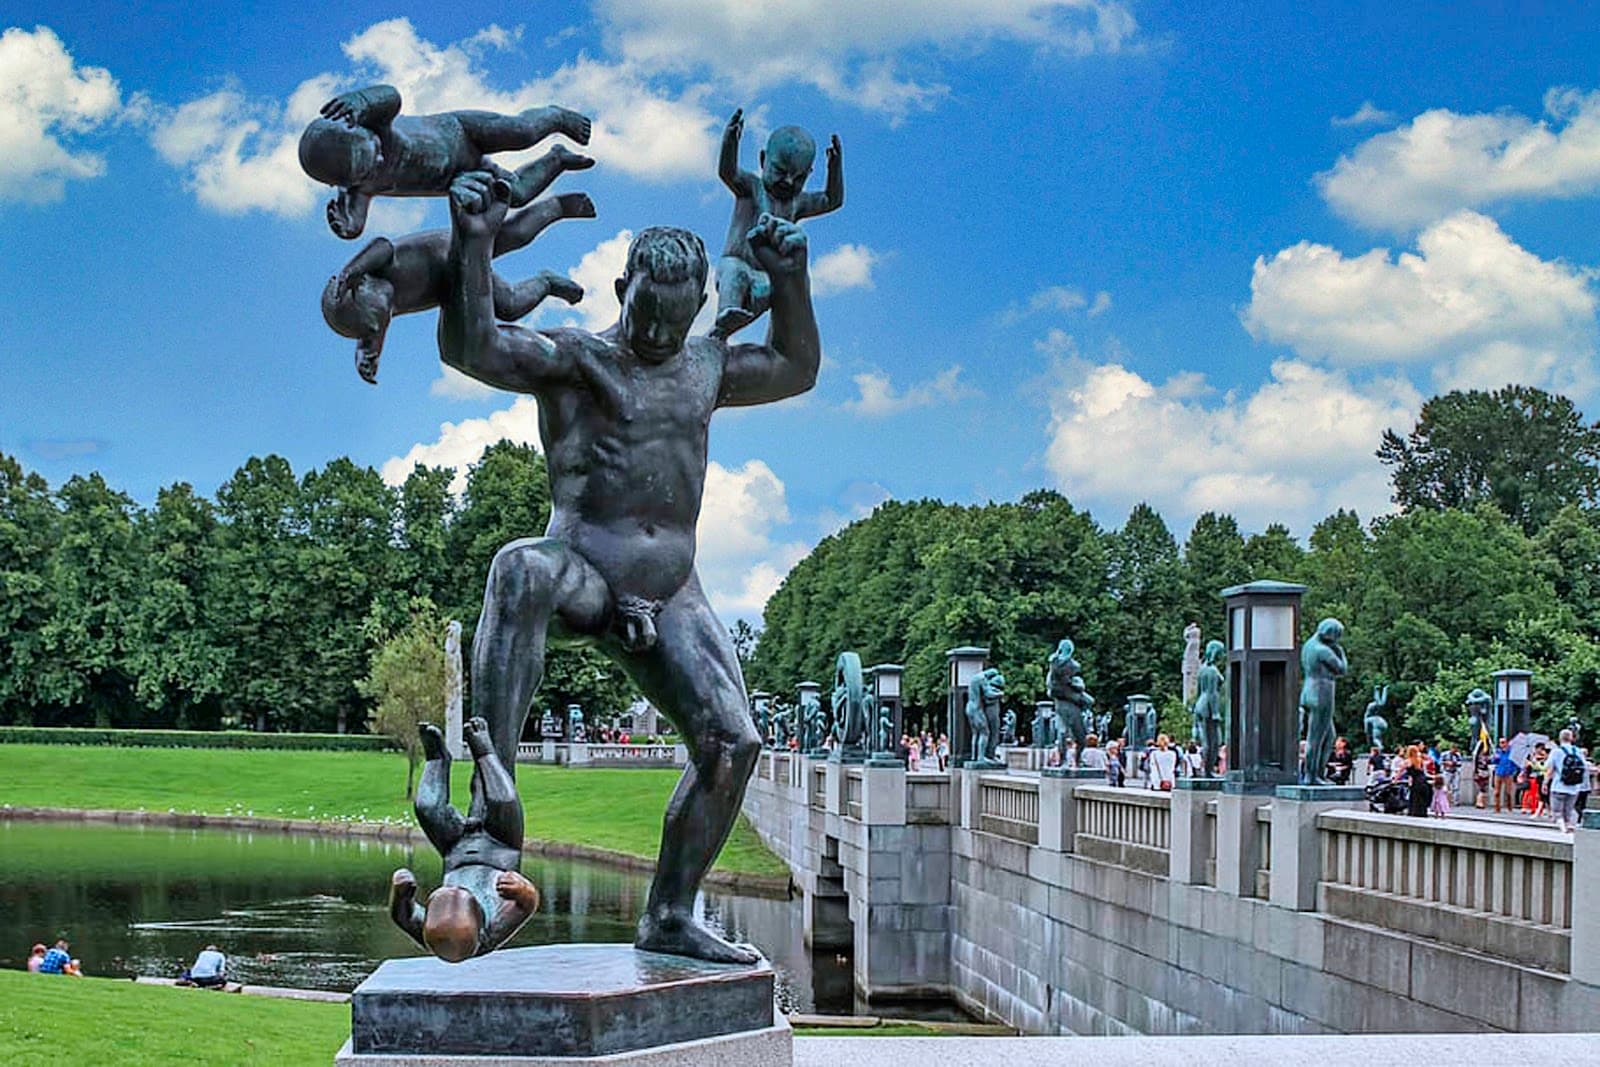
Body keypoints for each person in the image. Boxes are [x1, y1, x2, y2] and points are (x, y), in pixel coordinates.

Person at [438, 169, 819, 963]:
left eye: (675, 323)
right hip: (585, 570)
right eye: (646, 314)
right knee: (518, 569)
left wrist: (791, 279)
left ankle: (670, 913)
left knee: (733, 742)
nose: (657, 335)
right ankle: (489, 825)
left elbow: (795, 365)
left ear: (697, 311)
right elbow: (476, 345)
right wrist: (473, 245)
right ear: (623, 287)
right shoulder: (579, 361)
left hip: (672, 590)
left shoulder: (706, 367)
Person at [300, 83, 591, 239]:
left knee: (522, 132)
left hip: (462, 131)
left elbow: (391, 96)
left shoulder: (378, 124)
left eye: (372, 148)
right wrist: (346, 226)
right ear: (341, 183)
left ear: (360, 126)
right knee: (516, 193)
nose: (379, 157)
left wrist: (361, 100)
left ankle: (556, 117)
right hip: (462, 174)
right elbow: (355, 223)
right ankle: (557, 159)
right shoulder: (358, 188)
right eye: (368, 168)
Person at [389, 719, 540, 962]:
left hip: (456, 850)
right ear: (480, 924)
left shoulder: (433, 932)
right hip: (499, 848)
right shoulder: (489, 932)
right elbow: (528, 905)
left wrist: (401, 894)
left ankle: (437, 760)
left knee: (426, 806)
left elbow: (402, 917)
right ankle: (484, 751)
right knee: (504, 801)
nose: (458, 888)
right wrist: (523, 890)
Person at [713, 108, 843, 338]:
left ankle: (776, 347)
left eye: (799, 177)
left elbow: (832, 200)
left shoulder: (797, 203)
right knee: (734, 273)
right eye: (781, 171)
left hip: (766, 275)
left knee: (783, 292)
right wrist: (730, 142)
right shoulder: (751, 187)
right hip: (737, 262)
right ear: (763, 160)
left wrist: (834, 169)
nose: (788, 181)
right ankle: (726, 315)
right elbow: (727, 171)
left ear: (809, 174)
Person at [1546, 728, 1589, 833]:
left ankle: (1563, 828)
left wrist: (1545, 782)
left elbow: (1549, 768)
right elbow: (1584, 766)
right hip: (1574, 787)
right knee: (1569, 809)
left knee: (1557, 810)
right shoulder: (1577, 751)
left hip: (1558, 785)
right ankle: (1570, 824)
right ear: (1571, 738)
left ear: (1560, 738)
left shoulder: (1556, 752)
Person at [1399, 745, 1432, 818]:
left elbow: (1400, 771)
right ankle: (1422, 813)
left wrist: (1395, 779)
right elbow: (1428, 762)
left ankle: (1414, 813)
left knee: (1415, 798)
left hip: (1416, 782)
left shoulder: (1408, 761)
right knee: (1422, 798)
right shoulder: (1420, 760)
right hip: (1423, 781)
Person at [1492, 737, 1519, 813]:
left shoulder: (1511, 752)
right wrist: (1495, 758)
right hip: (1499, 773)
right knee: (1496, 792)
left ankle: (1509, 807)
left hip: (1508, 774)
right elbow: (1493, 761)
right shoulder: (1498, 752)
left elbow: (1515, 762)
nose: (1502, 744)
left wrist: (1514, 771)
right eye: (1501, 742)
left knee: (1508, 792)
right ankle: (1497, 808)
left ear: (1507, 743)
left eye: (1503, 742)